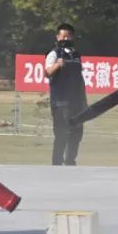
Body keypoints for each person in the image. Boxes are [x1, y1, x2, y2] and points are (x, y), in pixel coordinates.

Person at [45, 23, 88, 166]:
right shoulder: (53, 53)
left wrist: (84, 100)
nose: (65, 38)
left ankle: (70, 162)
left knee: (76, 134)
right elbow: (47, 73)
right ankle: (56, 164)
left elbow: (79, 78)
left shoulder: (76, 54)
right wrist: (57, 64)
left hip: (76, 101)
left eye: (68, 35)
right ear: (57, 37)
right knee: (62, 134)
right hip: (60, 101)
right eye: (63, 36)